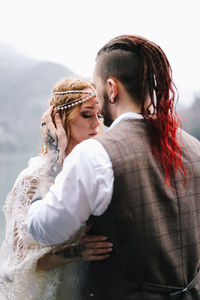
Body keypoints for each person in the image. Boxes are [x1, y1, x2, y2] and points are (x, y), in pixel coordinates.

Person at [28, 35, 200, 299]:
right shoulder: (194, 147)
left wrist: (53, 157)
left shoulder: (95, 155)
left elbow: (44, 229)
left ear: (111, 87)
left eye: (96, 88)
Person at [0, 77, 113, 300]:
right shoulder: (32, 180)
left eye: (99, 116)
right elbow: (15, 267)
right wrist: (74, 252)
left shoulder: (101, 167)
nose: (96, 124)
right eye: (87, 114)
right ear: (60, 120)